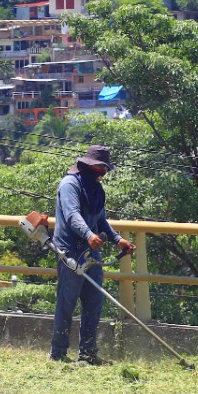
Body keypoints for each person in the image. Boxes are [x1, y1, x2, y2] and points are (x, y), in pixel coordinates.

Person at [50, 145, 135, 364]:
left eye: (105, 168)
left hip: (91, 251)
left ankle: (87, 354)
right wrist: (88, 234)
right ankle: (58, 354)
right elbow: (72, 215)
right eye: (99, 167)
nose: (102, 173)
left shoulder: (95, 189)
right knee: (66, 303)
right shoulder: (70, 185)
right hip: (70, 251)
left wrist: (117, 240)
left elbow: (101, 220)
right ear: (87, 165)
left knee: (94, 302)